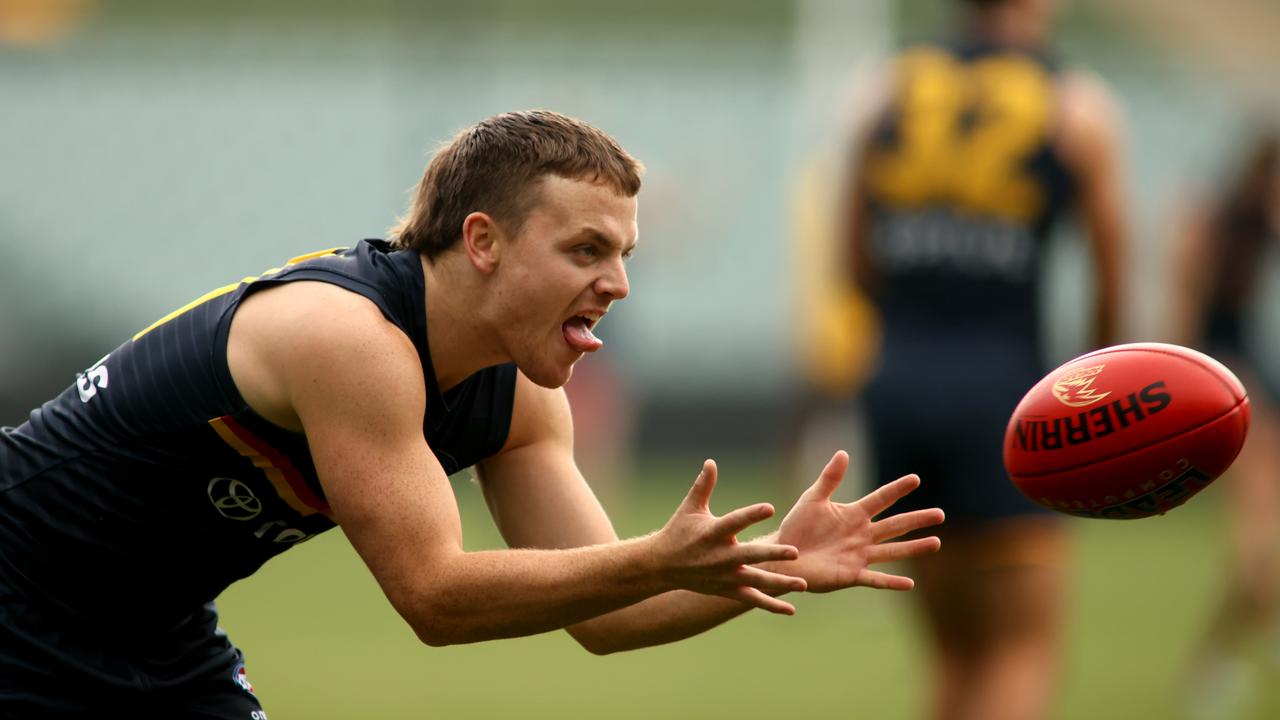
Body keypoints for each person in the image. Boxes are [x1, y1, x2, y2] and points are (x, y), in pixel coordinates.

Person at [0, 109, 945, 717]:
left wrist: (764, 561)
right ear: (482, 241)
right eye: (584, 250)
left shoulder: (524, 399)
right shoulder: (351, 337)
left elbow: (608, 613)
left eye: (624, 255)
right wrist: (651, 555)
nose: (616, 284)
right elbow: (436, 597)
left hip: (152, 639)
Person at [842, 1, 1128, 718]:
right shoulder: (1079, 104)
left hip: (897, 382)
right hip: (1009, 392)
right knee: (1020, 651)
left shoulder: (885, 87)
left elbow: (852, 258)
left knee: (957, 658)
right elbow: (1112, 268)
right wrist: (1101, 392)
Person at [1171, 132, 1280, 720]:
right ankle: (1211, 663)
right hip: (1224, 388)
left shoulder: (1260, 227)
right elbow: (1185, 308)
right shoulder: (1215, 224)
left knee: (1263, 561)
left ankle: (1230, 653)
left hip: (1258, 384)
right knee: (1256, 556)